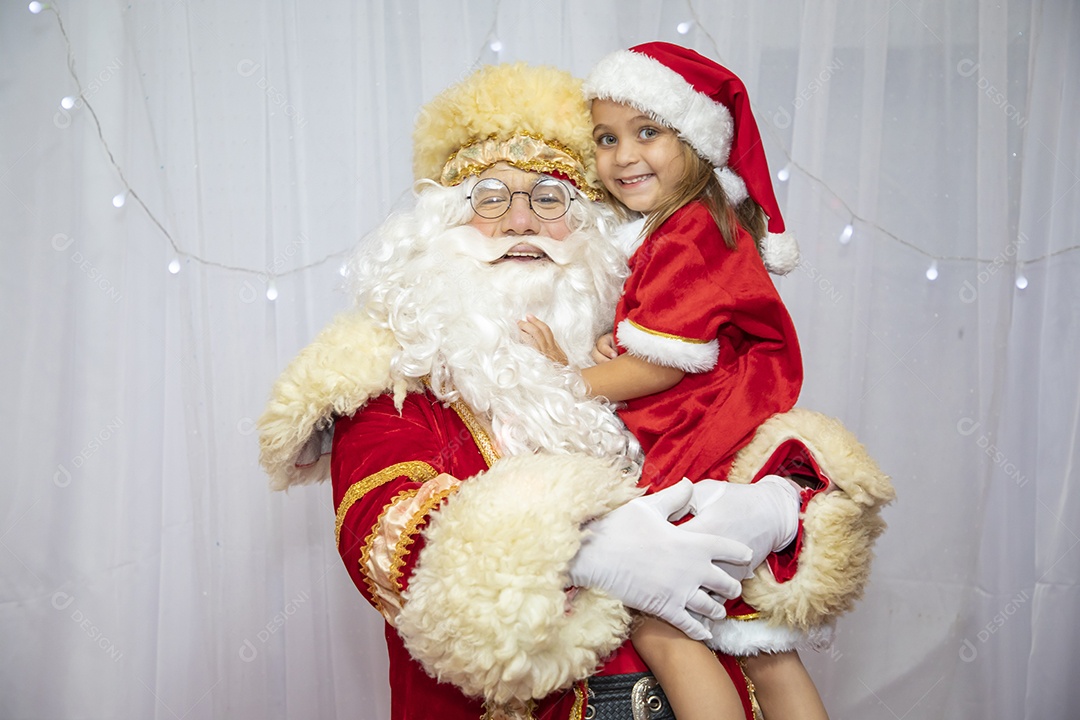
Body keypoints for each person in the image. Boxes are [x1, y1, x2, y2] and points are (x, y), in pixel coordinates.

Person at [258, 61, 894, 720]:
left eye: (549, 198)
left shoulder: (628, 339)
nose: (520, 222)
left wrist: (777, 503)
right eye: (489, 198)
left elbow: (741, 416)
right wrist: (587, 550)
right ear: (438, 225)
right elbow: (381, 534)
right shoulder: (392, 368)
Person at [519, 43, 875, 720]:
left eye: (647, 131)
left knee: (664, 625)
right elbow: (685, 340)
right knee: (760, 643)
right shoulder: (683, 230)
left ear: (696, 139)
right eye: (606, 138)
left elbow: (660, 365)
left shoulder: (687, 232)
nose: (624, 156)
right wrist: (616, 340)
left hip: (696, 451)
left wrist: (573, 377)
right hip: (716, 439)